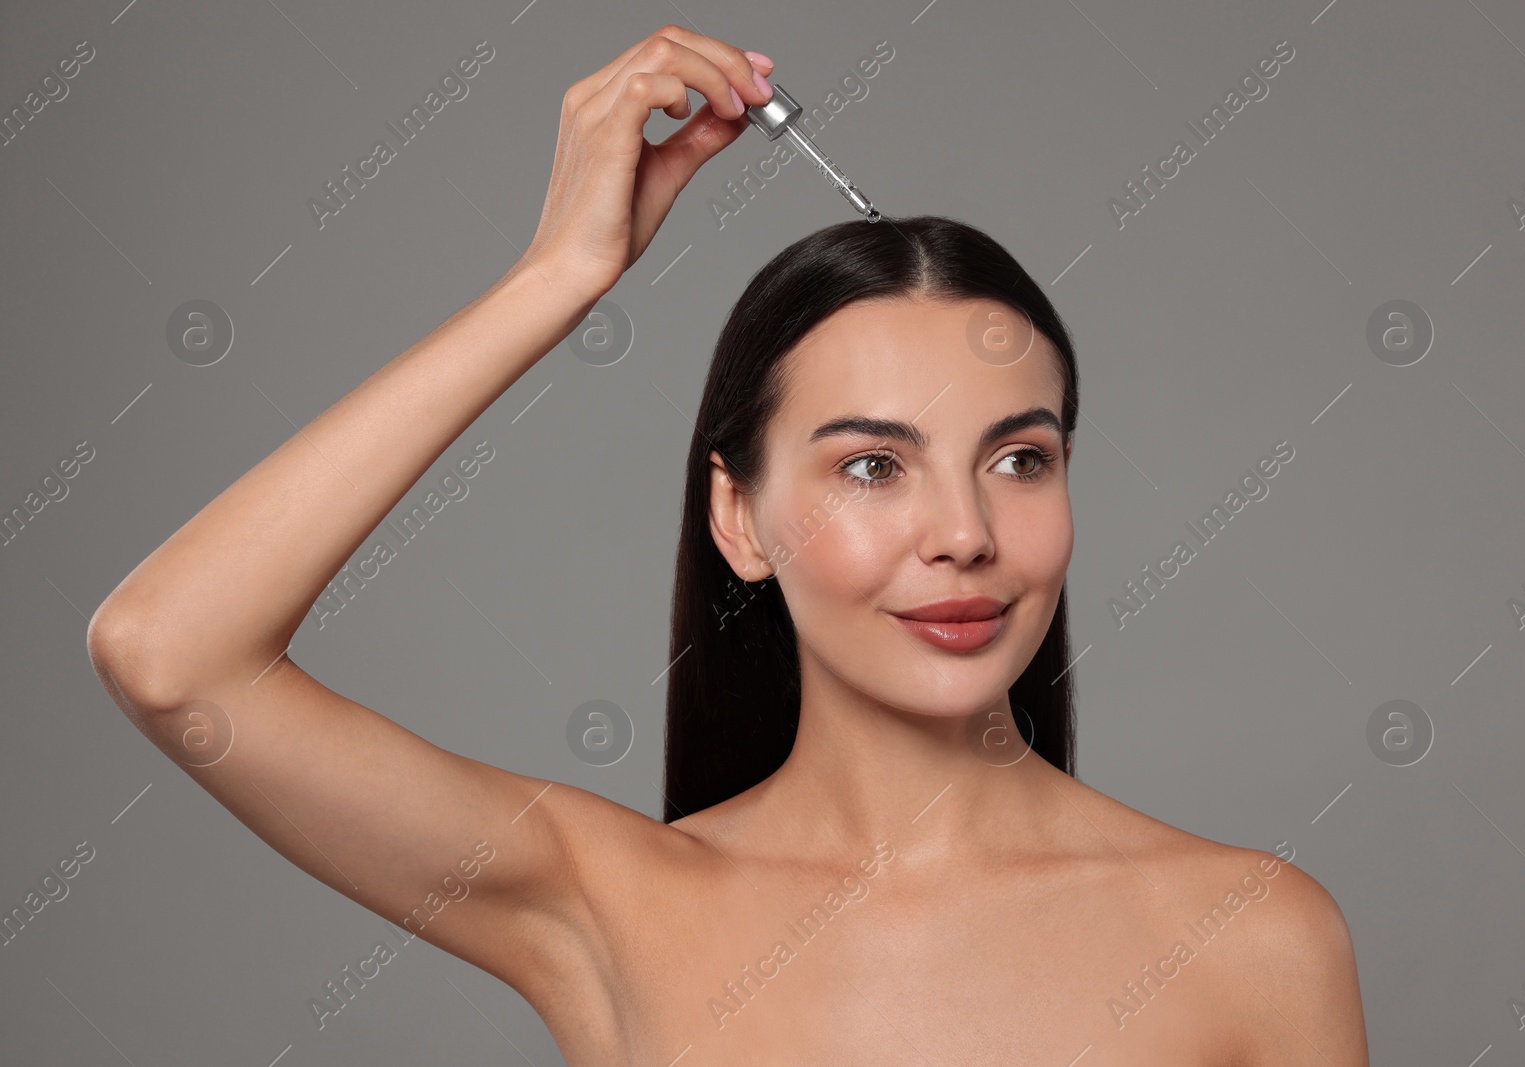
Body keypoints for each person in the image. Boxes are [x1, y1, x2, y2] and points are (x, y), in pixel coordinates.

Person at [86, 25, 1369, 1065]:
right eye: (873, 465)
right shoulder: (610, 899)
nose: (967, 533)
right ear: (739, 517)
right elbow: (172, 654)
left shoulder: (1252, 935)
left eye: (1017, 458)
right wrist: (559, 275)